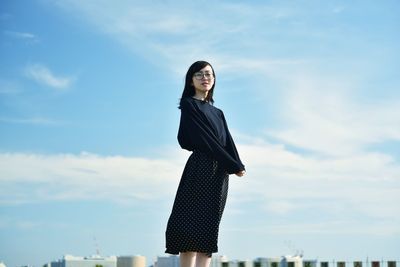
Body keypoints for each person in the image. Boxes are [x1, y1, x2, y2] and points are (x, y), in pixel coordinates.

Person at [165, 61, 245, 267]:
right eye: (199, 74)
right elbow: (205, 139)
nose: (205, 78)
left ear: (214, 79)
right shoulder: (189, 105)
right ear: (191, 80)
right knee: (188, 228)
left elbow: (227, 140)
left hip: (219, 172)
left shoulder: (218, 112)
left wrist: (238, 163)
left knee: (208, 230)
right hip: (199, 166)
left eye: (209, 74)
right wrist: (231, 164)